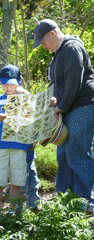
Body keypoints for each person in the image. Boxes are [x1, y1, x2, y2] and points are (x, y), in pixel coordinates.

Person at [33, 19, 94, 212]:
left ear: (52, 33)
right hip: (67, 109)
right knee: (64, 156)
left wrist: (62, 105)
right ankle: (66, 200)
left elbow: (75, 79)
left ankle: (86, 201)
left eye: (43, 42)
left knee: (78, 154)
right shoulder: (57, 54)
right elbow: (59, 84)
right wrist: (53, 102)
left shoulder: (72, 47)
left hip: (81, 108)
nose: (42, 46)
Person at [0, 65, 30, 218]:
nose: (8, 87)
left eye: (12, 83)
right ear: (0, 82)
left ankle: (12, 211)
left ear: (19, 82)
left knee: (17, 178)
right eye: (5, 83)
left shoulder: (25, 100)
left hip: (20, 145)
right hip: (1, 145)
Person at [20, 145, 41, 211]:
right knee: (21, 185)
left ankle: (33, 206)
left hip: (30, 157)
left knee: (34, 182)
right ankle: (18, 209)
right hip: (20, 157)